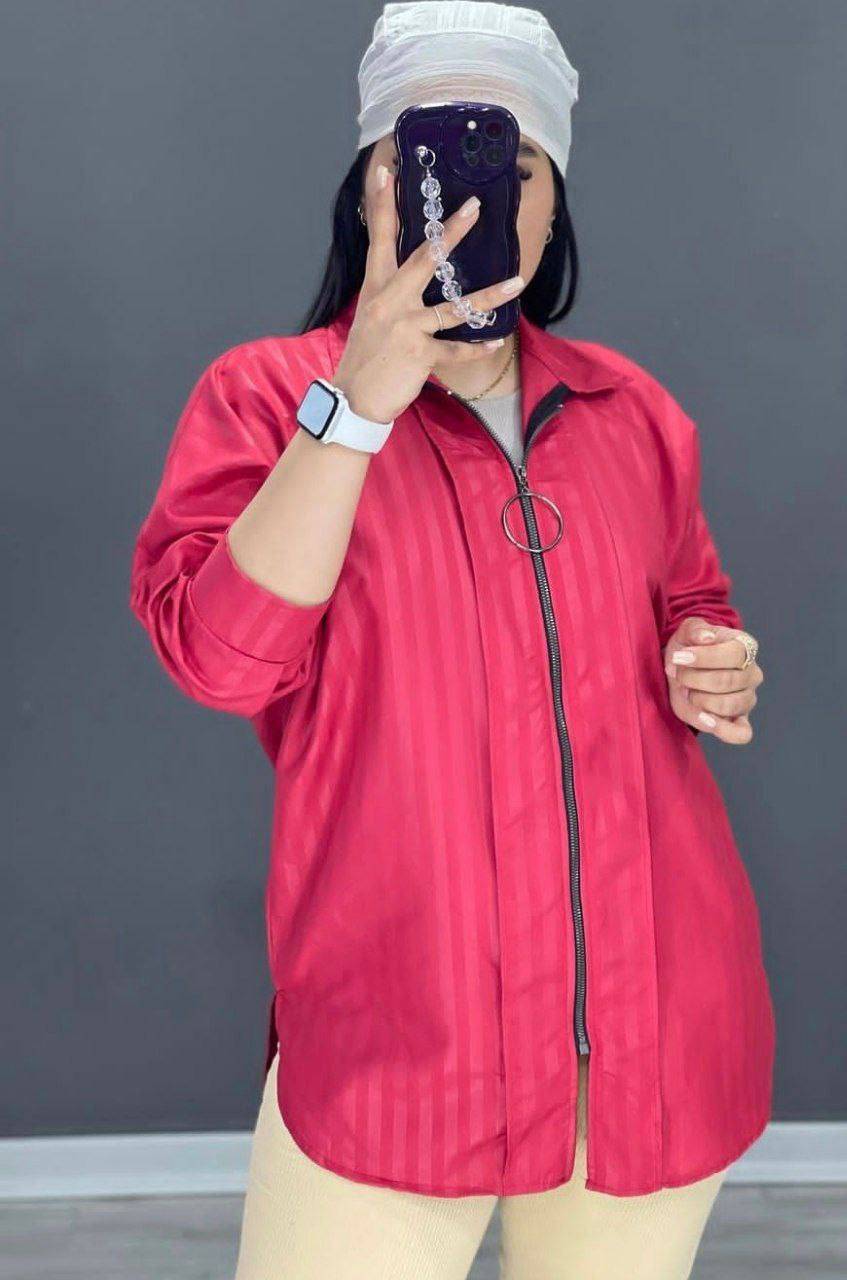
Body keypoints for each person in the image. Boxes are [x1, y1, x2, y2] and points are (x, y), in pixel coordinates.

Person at [128, 3, 775, 1276]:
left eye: (516, 164)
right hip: (401, 1040)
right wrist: (357, 406)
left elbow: (691, 604)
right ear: (374, 182)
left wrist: (712, 658)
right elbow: (221, 659)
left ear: (552, 200)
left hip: (651, 1027)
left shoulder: (632, 413)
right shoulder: (263, 400)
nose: (480, 196)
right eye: (427, 153)